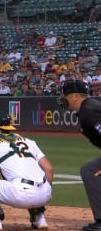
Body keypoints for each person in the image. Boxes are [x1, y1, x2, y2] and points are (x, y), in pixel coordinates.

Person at [57, 80, 101, 231]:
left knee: (90, 171)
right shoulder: (86, 109)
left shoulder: (89, 111)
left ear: (75, 96)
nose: (63, 98)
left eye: (66, 95)